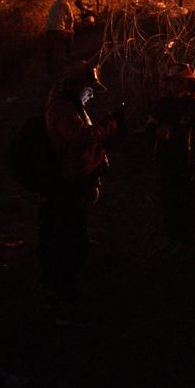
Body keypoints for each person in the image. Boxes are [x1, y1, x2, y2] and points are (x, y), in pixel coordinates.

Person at [41, 61, 122, 326]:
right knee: (69, 241)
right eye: (90, 87)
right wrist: (111, 124)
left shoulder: (72, 106)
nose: (92, 93)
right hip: (68, 185)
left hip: (76, 180)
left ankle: (66, 296)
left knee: (74, 240)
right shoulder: (64, 109)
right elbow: (81, 138)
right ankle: (65, 301)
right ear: (75, 85)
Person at [149, 63, 195, 251]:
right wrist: (157, 131)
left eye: (179, 82)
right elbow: (149, 127)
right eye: (172, 82)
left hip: (189, 164)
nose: (174, 86)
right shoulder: (162, 105)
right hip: (167, 162)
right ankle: (171, 239)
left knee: (187, 203)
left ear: (190, 84)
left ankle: (185, 241)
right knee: (168, 201)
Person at [45, 0, 74, 76]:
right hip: (58, 32)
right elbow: (71, 18)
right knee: (71, 34)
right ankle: (68, 54)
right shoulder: (66, 5)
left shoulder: (53, 5)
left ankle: (48, 70)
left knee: (49, 52)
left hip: (48, 31)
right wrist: (70, 28)